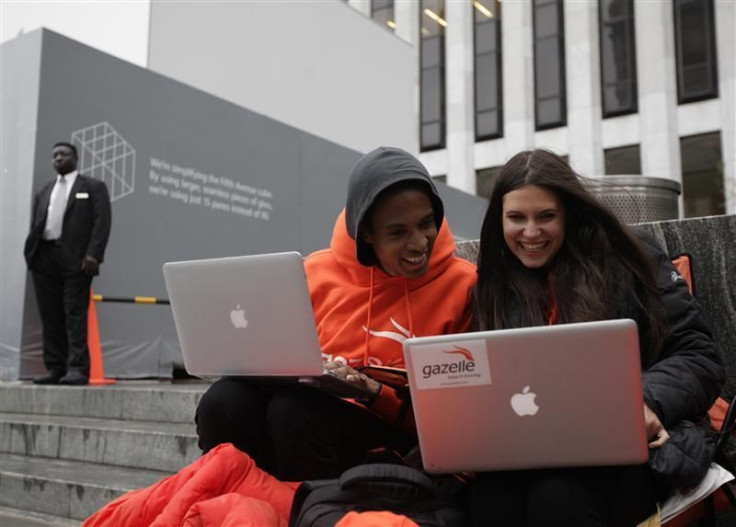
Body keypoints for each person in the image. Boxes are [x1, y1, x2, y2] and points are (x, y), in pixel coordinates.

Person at [471, 149, 724, 526]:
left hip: (630, 452)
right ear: (498, 221)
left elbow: (699, 356)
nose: (531, 232)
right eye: (516, 218)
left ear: (569, 213)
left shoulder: (627, 256)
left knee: (558, 496)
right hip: (532, 451)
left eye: (546, 216)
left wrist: (643, 400)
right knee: (488, 500)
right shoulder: (494, 283)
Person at [195, 146, 477, 481]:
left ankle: (308, 512)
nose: (419, 243)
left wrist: (373, 392)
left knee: (295, 412)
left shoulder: (464, 284)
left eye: (426, 223)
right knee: (223, 402)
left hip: (394, 432)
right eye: (398, 232)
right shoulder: (313, 272)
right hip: (301, 418)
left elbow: (455, 413)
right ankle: (236, 509)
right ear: (366, 234)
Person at [24, 142, 112, 386]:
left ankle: (77, 369)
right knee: (50, 315)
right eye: (54, 155)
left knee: (74, 313)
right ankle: (55, 368)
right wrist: (32, 255)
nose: (57, 158)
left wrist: (94, 254)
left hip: (77, 259)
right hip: (45, 258)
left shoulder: (93, 187)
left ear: (75, 158)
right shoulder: (45, 190)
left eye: (63, 154)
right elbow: (37, 223)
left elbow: (101, 222)